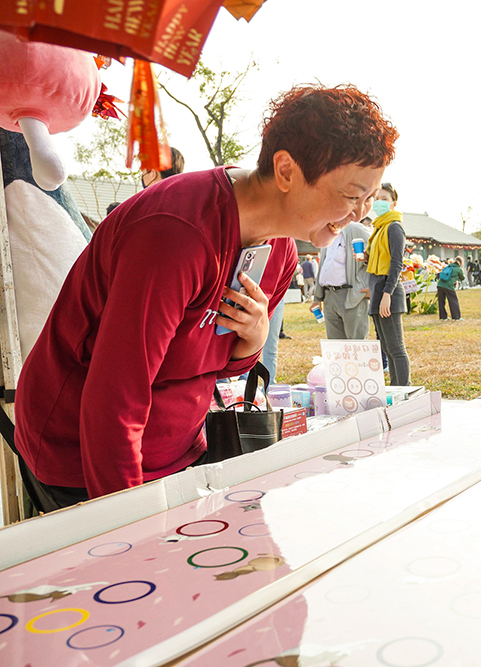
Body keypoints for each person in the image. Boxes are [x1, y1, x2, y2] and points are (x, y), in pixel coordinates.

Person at [13, 84, 397, 511]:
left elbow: (217, 361)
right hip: (85, 458)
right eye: (351, 195)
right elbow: (114, 398)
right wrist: (125, 524)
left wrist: (251, 340)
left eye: (368, 198)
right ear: (286, 171)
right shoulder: (174, 234)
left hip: (178, 448)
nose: (361, 212)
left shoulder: (282, 250)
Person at [367, 182, 411, 385]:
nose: (379, 203)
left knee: (396, 348)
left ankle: (404, 390)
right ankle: (396, 388)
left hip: (388, 291)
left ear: (393, 203)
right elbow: (380, 261)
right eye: (376, 199)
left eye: (384, 199)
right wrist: (365, 258)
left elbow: (396, 263)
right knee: (386, 346)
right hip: (377, 290)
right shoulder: (378, 228)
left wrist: (387, 294)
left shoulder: (394, 227)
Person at [313, 220, 371, 340]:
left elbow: (378, 255)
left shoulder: (357, 229)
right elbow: (324, 266)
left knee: (356, 343)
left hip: (351, 294)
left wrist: (372, 286)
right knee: (335, 347)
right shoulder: (327, 232)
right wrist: (317, 298)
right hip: (329, 295)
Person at [437, 256, 465, 321]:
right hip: (449, 286)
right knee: (453, 301)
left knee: (441, 301)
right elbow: (462, 278)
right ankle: (456, 317)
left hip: (440, 284)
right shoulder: (458, 269)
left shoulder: (448, 266)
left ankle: (443, 317)